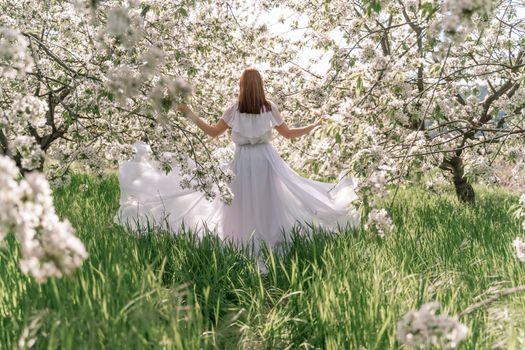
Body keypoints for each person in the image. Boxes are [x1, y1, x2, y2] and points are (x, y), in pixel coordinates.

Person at [114, 68, 359, 252]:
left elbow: (212, 132)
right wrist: (313, 125)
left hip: (242, 161)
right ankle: (269, 236)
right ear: (261, 86)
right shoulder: (269, 107)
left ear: (242, 86)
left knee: (241, 202)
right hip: (266, 160)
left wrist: (190, 114)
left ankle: (241, 239)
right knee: (268, 200)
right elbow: (288, 134)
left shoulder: (235, 108)